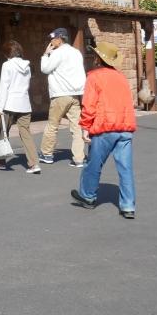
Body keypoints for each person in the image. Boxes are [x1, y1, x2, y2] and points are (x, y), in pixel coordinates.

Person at [71, 42, 137, 218]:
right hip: (125, 127)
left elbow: (89, 105)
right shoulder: (121, 77)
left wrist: (85, 126)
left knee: (93, 164)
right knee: (125, 168)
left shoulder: (94, 77)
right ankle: (128, 205)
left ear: (98, 58)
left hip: (105, 126)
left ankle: (88, 196)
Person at [39, 27, 87, 166]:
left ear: (60, 39)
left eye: (53, 39)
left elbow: (45, 69)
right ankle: (79, 158)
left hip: (60, 94)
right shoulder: (76, 52)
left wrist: (45, 54)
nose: (51, 41)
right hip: (74, 95)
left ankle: (47, 154)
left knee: (52, 125)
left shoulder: (57, 53)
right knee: (76, 127)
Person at [0, 39, 39, 174]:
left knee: (2, 132)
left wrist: (0, 108)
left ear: (7, 53)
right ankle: (34, 164)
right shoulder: (27, 66)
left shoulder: (7, 65)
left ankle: (0, 162)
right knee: (26, 134)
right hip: (24, 103)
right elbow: (27, 85)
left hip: (9, 104)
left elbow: (4, 87)